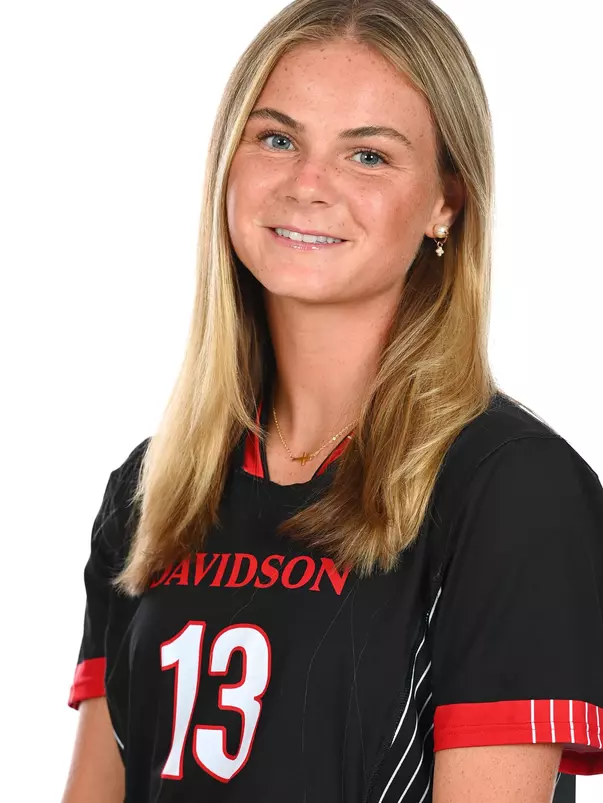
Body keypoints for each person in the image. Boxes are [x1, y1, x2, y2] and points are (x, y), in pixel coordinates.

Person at [61, 1, 603, 801]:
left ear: (445, 202)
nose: (308, 185)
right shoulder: (151, 488)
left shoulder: (514, 491)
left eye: (369, 156)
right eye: (276, 138)